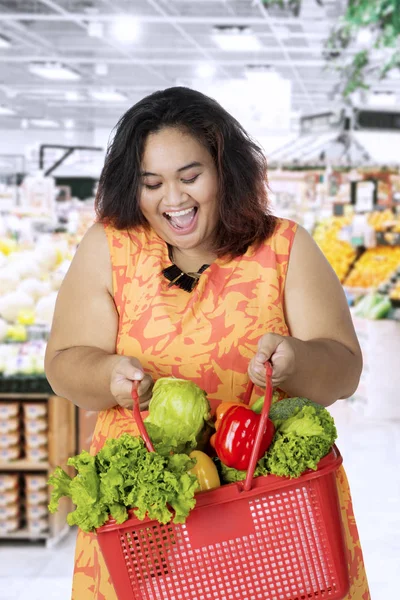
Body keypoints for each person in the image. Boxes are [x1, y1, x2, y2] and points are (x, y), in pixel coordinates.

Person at [45, 86, 370, 600]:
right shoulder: (109, 247)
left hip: (269, 516)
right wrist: (106, 374)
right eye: (151, 183)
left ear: (225, 170)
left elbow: (344, 369)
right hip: (145, 528)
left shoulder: (284, 249)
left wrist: (296, 361)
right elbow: (63, 363)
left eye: (190, 177)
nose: (172, 200)